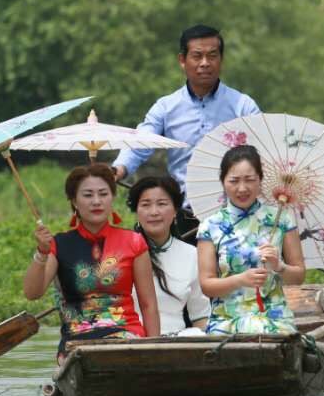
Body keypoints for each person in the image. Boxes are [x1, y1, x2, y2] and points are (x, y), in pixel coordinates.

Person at [112, 24, 261, 241]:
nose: (205, 63)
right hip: (185, 214)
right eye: (197, 56)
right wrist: (119, 169)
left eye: (212, 56)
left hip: (237, 215)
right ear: (182, 60)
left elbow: (264, 151)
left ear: (221, 59)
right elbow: (141, 142)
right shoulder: (166, 107)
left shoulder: (243, 106)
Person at [24, 163, 161, 360]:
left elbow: (148, 305)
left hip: (125, 335)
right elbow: (32, 293)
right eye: (88, 195)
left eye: (103, 194)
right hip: (76, 340)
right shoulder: (58, 244)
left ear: (112, 198)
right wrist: (42, 253)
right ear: (74, 201)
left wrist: (153, 350)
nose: (96, 201)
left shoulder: (134, 242)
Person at [196, 145, 306, 335]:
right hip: (226, 319)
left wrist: (279, 266)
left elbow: (298, 276)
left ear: (260, 180)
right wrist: (240, 280)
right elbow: (207, 286)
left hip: (274, 317)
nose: (242, 188)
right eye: (234, 181)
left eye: (250, 180)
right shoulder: (211, 226)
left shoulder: (282, 219)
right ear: (223, 182)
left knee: (268, 333)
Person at [127, 176, 209, 334]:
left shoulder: (191, 254)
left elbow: (201, 316)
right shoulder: (122, 251)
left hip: (176, 343)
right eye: (145, 205)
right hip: (131, 339)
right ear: (136, 210)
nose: (154, 212)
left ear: (175, 210)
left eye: (162, 204)